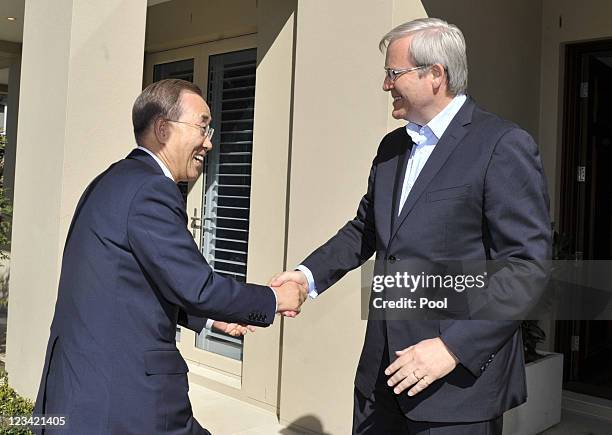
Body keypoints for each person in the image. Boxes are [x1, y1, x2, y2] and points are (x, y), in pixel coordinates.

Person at [271, 18, 551, 434]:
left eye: (393, 73)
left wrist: (452, 348)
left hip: (456, 389)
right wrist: (305, 277)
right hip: (380, 381)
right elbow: (364, 229)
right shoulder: (392, 147)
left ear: (435, 74)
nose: (386, 85)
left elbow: (526, 268)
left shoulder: (501, 144)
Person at [33, 79, 307, 435]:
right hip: (125, 401)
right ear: (163, 129)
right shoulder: (151, 189)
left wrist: (208, 321)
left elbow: (129, 282)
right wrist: (274, 298)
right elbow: (198, 287)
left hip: (82, 391)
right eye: (203, 126)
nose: (209, 141)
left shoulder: (111, 180)